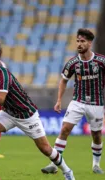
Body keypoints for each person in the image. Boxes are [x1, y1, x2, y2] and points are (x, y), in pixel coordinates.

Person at [0, 51, 75, 180]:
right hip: (9, 112)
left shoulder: (3, 75)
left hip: (26, 115)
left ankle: (67, 171)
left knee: (45, 149)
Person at [41, 29, 104, 174]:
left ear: (90, 43)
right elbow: (63, 81)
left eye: (82, 41)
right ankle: (54, 163)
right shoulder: (73, 63)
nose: (79, 44)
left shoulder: (101, 61)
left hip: (96, 103)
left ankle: (96, 165)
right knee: (64, 129)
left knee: (96, 135)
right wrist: (58, 101)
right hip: (78, 101)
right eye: (78, 41)